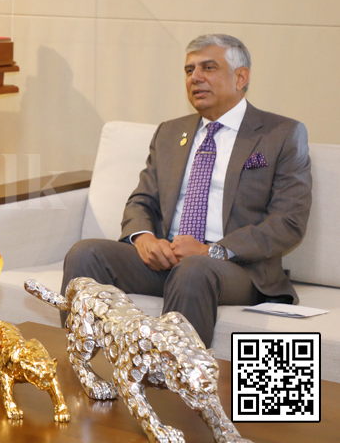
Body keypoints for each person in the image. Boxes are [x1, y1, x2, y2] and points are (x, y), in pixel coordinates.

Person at [62, 34, 312, 346]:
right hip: (167, 260)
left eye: (208, 67)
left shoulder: (281, 134)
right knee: (86, 254)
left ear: (241, 77)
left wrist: (212, 251)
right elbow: (142, 200)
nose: (195, 77)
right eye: (189, 70)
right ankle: (84, 371)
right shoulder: (170, 132)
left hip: (237, 268)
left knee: (194, 269)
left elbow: (288, 223)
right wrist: (145, 239)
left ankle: (178, 388)